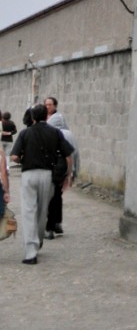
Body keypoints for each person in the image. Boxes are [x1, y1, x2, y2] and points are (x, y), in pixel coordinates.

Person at [10, 103, 73, 264]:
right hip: (47, 175)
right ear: (46, 116)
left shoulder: (25, 133)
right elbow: (68, 154)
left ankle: (31, 251)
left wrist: (23, 157)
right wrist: (68, 174)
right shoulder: (55, 132)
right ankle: (38, 239)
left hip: (29, 174)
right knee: (42, 211)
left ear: (32, 117)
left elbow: (14, 157)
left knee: (28, 211)